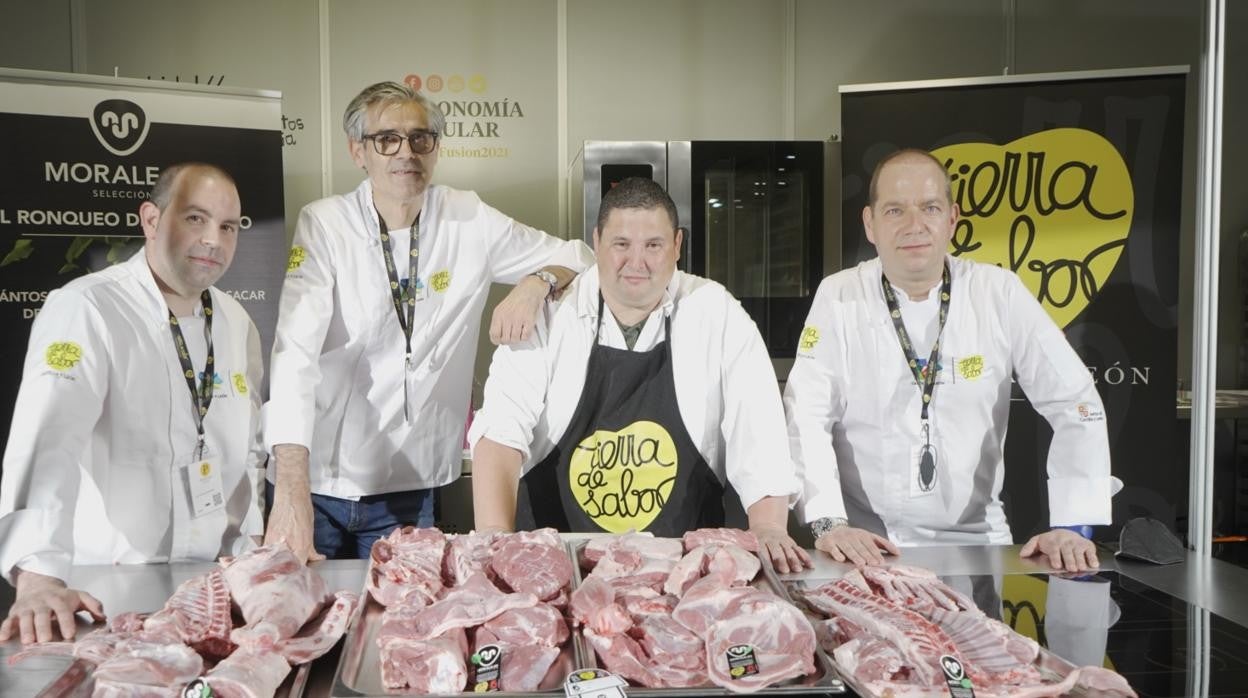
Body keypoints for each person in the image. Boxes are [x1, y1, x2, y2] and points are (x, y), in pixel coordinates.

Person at [263, 81, 593, 561]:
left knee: (401, 626)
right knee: (307, 624)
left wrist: (536, 281)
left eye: (421, 138)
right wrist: (291, 486)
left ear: (436, 148)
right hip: (319, 487)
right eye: (386, 139)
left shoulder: (469, 218)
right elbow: (294, 353)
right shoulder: (326, 224)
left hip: (411, 490)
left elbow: (578, 256)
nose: (406, 152)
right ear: (359, 151)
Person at [785, 148, 1118, 573]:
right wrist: (829, 523)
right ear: (870, 224)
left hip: (979, 547)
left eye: (929, 207)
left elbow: (1075, 400)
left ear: (952, 218)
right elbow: (806, 415)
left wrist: (1074, 525)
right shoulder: (839, 295)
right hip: (866, 547)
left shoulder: (999, 292)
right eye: (894, 210)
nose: (914, 225)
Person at [469, 177, 811, 573]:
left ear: (677, 246)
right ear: (596, 243)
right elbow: (500, 433)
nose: (637, 262)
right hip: (556, 569)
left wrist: (768, 526)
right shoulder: (549, 313)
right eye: (621, 245)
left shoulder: (714, 311)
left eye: (654, 245)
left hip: (682, 573)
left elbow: (759, 428)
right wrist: (495, 538)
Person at [0, 163, 264, 644]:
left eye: (227, 227)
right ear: (150, 219)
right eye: (195, 219)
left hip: (212, 589)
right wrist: (37, 576)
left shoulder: (234, 318)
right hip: (108, 592)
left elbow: (248, 449)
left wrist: (254, 549)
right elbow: (47, 442)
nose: (213, 240)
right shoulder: (87, 308)